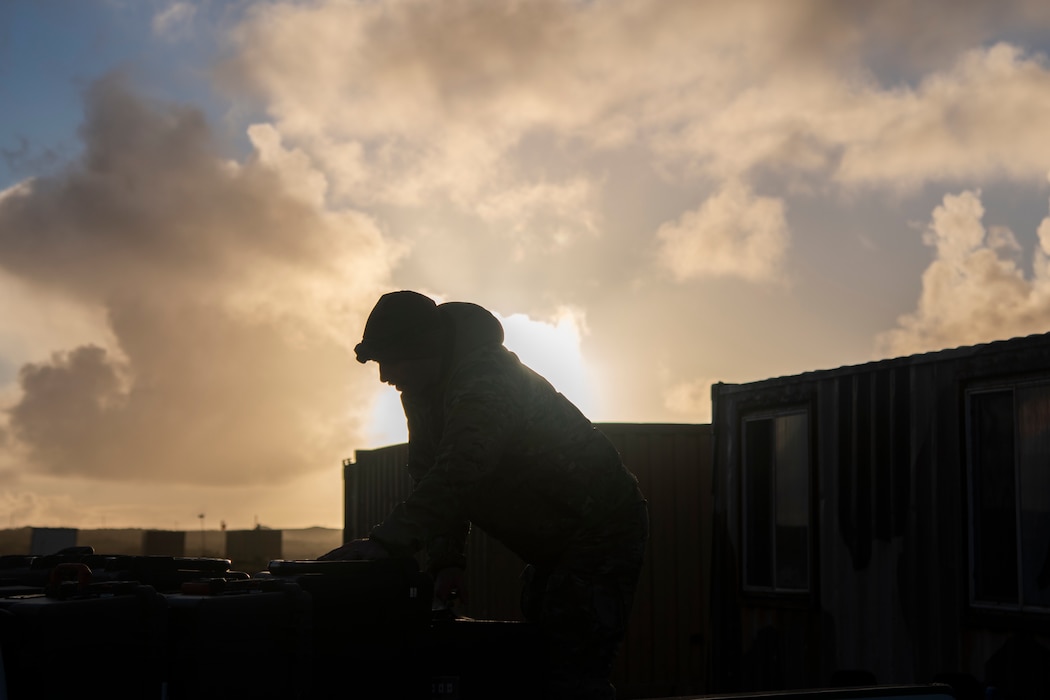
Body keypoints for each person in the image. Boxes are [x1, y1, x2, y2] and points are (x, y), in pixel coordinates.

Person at [322, 290, 648, 699]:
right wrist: (445, 561)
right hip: (554, 542)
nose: (385, 375)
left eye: (391, 359)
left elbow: (462, 468)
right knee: (542, 658)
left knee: (572, 672)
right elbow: (431, 477)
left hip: (600, 530)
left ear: (423, 347)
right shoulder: (422, 393)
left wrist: (386, 543)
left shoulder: (486, 381)